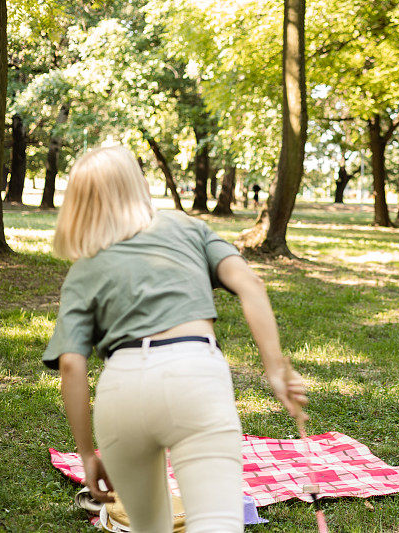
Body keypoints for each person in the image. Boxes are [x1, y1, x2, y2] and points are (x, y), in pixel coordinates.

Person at [43, 146, 307, 532]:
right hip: (196, 375)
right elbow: (250, 285)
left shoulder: (83, 269)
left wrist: (86, 454)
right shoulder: (186, 226)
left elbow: (71, 363)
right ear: (139, 184)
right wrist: (275, 369)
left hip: (122, 390)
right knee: (217, 523)